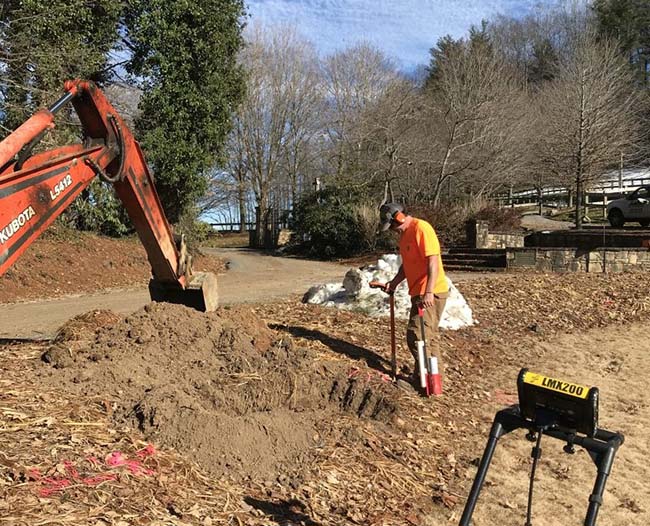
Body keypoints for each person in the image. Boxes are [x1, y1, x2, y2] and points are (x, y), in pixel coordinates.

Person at [379, 203, 449, 391]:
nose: (393, 231)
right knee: (426, 337)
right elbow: (407, 266)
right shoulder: (404, 237)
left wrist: (428, 291)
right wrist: (394, 283)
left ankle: (422, 382)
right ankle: (433, 383)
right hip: (418, 293)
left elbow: (433, 262)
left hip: (430, 293)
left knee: (417, 335)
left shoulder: (422, 229)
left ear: (399, 217)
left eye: (393, 226)